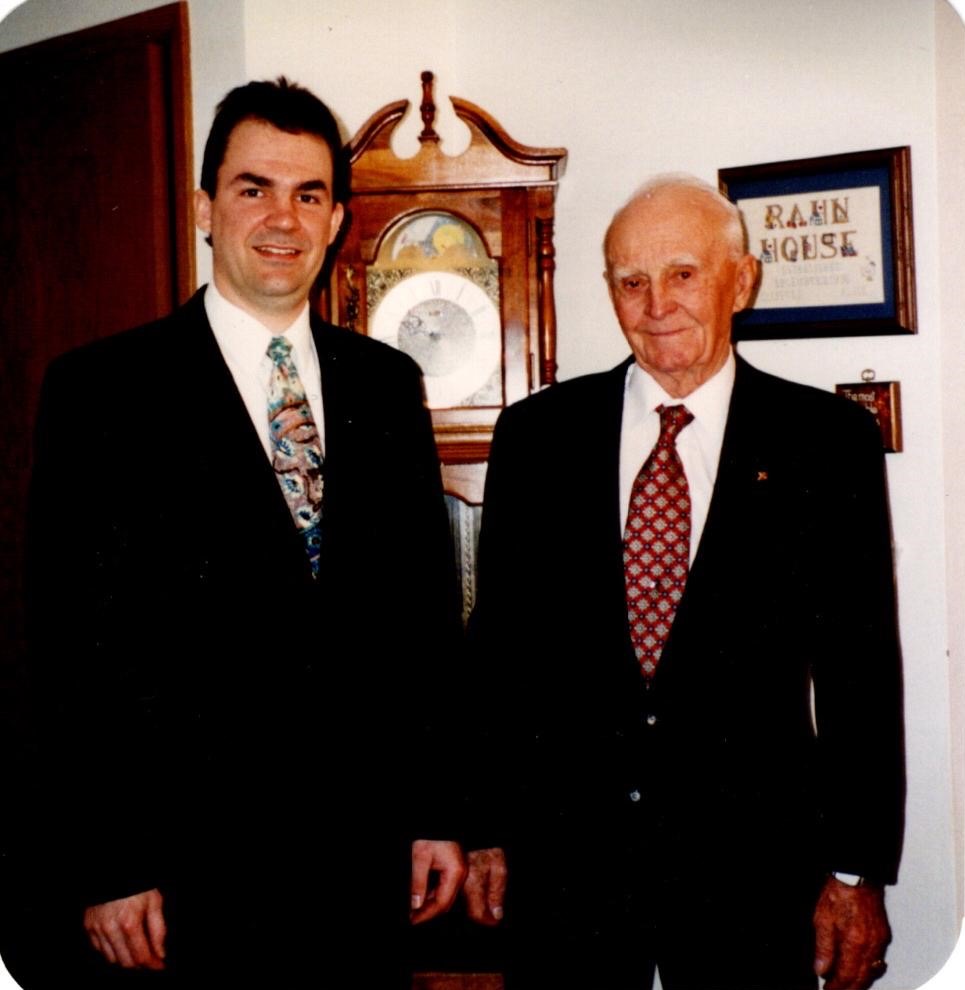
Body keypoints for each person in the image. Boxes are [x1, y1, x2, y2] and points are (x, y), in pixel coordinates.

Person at [24, 78, 466, 987]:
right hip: (185, 872)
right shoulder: (101, 393)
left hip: (359, 864)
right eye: (252, 188)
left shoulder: (387, 387)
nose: (282, 218)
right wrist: (111, 861)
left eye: (308, 194)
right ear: (203, 207)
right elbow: (71, 645)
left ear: (339, 219)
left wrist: (437, 811)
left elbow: (423, 623)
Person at [464, 175, 904, 990]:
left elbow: (860, 672)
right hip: (568, 872)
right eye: (630, 281)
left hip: (753, 875)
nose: (655, 302)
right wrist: (484, 826)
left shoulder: (826, 443)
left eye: (682, 274)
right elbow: (499, 653)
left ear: (741, 279)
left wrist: (854, 874)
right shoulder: (537, 437)